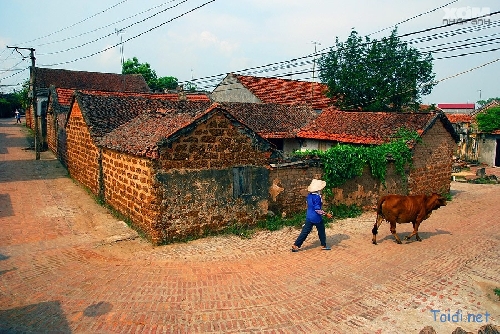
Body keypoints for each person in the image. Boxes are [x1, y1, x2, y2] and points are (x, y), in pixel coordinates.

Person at [291, 178, 333, 252]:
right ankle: (323, 245)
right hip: (316, 218)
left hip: (309, 216)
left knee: (305, 231)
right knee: (321, 230)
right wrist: (326, 214)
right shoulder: (317, 197)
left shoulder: (309, 195)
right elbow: (317, 209)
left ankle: (296, 245)